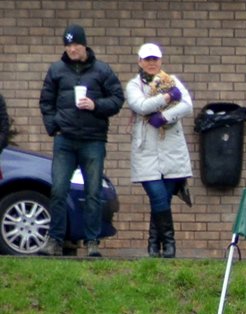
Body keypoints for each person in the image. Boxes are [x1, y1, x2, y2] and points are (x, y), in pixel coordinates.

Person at [38, 23, 123, 257]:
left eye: (75, 44)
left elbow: (117, 99)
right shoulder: (56, 70)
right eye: (68, 45)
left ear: (84, 44)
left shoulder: (102, 70)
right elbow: (46, 102)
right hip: (65, 140)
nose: (72, 49)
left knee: (93, 192)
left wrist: (96, 105)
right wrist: (54, 127)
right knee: (58, 190)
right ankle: (55, 240)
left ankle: (92, 242)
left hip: (93, 140)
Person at [124, 41, 192, 259]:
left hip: (172, 150)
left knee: (163, 200)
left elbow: (187, 106)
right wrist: (168, 97)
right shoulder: (134, 85)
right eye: (147, 59)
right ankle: (169, 243)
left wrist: (165, 116)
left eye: (155, 59)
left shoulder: (172, 81)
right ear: (140, 62)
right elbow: (141, 106)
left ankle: (154, 244)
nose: (151, 63)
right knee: (158, 196)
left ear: (161, 60)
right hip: (146, 150)